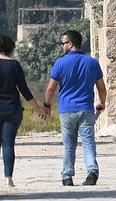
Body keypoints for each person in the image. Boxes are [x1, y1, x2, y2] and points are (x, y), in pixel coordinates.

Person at [42, 29, 106, 186]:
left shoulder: (60, 63)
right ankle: (92, 171)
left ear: (70, 44)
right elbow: (101, 88)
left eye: (63, 43)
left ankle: (67, 176)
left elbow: (51, 88)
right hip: (86, 108)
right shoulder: (92, 62)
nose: (62, 45)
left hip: (66, 109)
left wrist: (47, 105)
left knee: (69, 144)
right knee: (88, 141)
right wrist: (102, 102)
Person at [0, 33, 40, 188]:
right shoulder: (15, 65)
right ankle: (9, 179)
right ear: (10, 47)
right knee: (8, 144)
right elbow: (24, 90)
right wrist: (37, 108)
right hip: (13, 110)